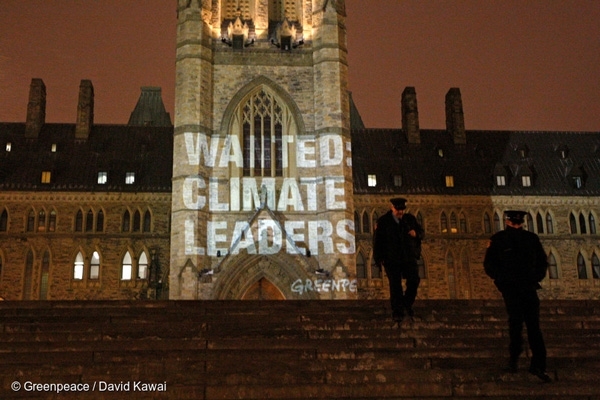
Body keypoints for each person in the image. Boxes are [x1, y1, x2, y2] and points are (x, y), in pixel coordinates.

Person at [484, 210, 551, 383]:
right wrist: (501, 280)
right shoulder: (499, 240)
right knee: (521, 324)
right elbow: (489, 264)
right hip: (512, 288)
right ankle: (521, 361)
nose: (516, 224)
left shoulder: (530, 239)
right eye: (515, 221)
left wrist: (535, 277)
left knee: (529, 325)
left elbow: (542, 262)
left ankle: (535, 363)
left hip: (526, 287)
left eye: (517, 222)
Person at [373, 197, 424, 323]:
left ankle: (406, 304)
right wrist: (378, 258)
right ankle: (398, 311)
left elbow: (422, 233)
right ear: (392, 208)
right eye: (398, 209)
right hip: (391, 259)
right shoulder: (384, 222)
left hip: (408, 257)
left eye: (402, 209)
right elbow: (377, 241)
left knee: (414, 280)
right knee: (395, 285)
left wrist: (415, 234)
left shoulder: (410, 220)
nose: (400, 212)